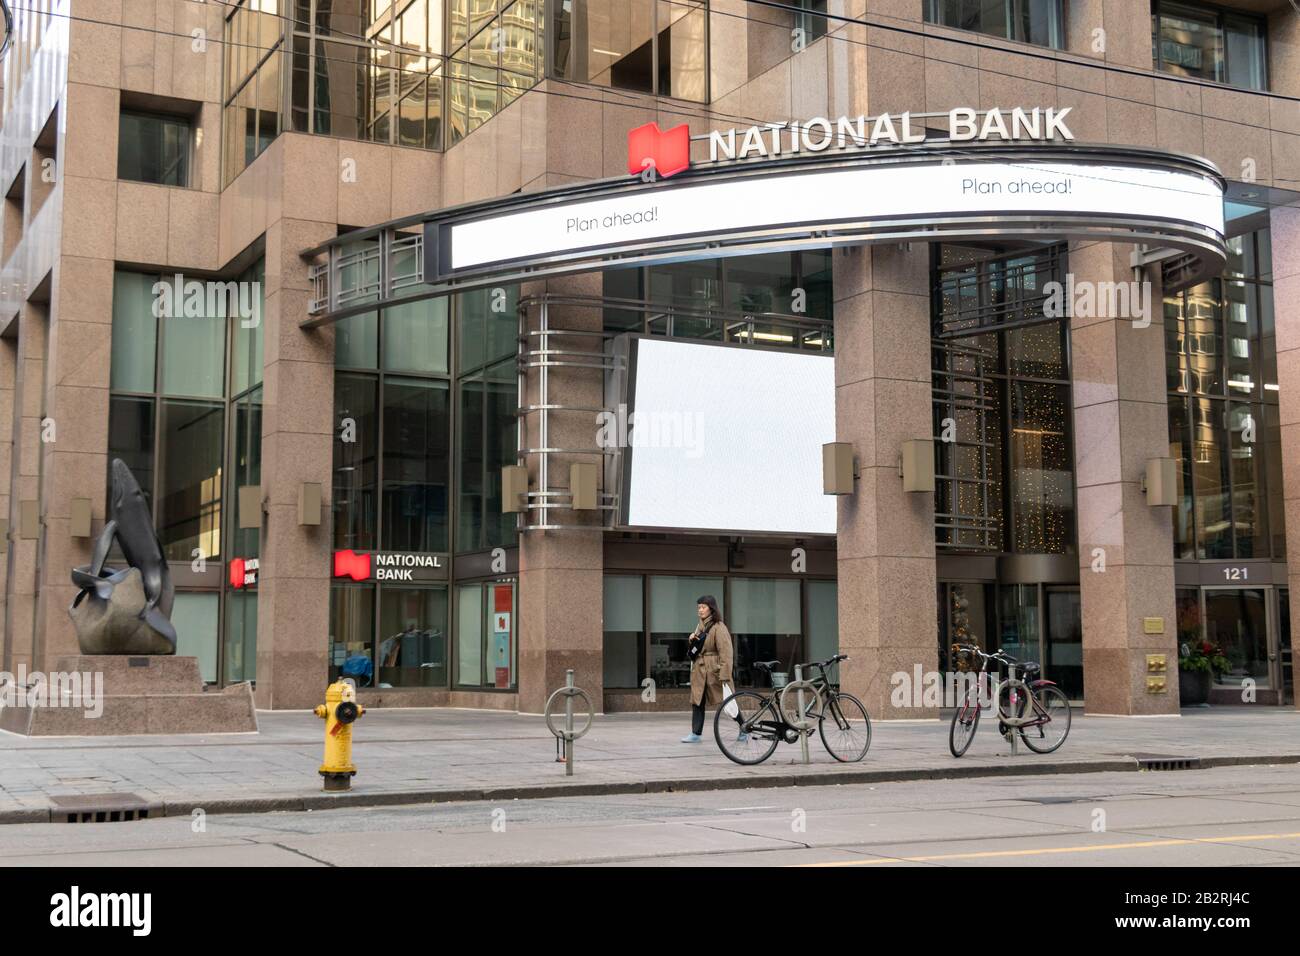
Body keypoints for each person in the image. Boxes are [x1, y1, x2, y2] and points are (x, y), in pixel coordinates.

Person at [681, 595, 733, 743]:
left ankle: (744, 727)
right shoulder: (700, 627)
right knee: (697, 700)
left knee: (728, 700)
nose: (700, 610)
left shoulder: (719, 627)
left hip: (714, 670)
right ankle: (695, 733)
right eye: (698, 607)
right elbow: (698, 648)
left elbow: (726, 653)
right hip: (700, 670)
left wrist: (724, 674)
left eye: (703, 607)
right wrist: (692, 639)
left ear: (712, 608)